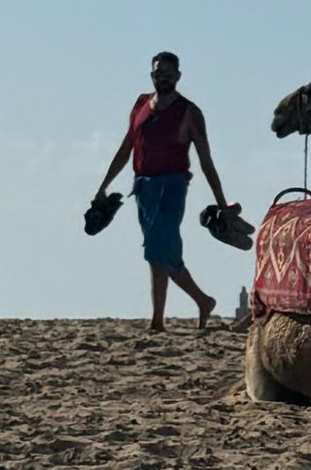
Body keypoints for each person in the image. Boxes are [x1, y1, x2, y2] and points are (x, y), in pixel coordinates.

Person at [92, 51, 233, 333]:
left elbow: (206, 161)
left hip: (171, 186)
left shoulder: (189, 112)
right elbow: (126, 148)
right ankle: (192, 306)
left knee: (157, 248)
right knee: (160, 253)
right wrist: (103, 186)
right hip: (142, 186)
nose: (163, 78)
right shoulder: (141, 104)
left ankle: (170, 315)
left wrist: (222, 203)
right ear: (151, 75)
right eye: (158, 73)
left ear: (178, 76)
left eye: (168, 74)